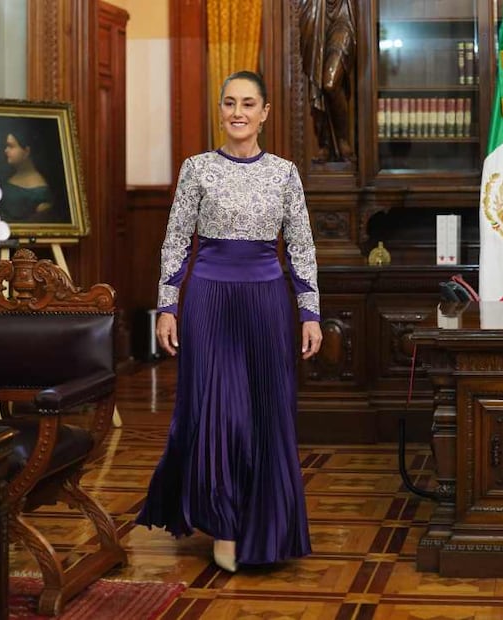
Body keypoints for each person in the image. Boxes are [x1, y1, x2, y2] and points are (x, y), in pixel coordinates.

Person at [135, 71, 323, 573]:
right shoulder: (196, 169)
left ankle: (265, 526)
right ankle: (224, 525)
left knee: (265, 413)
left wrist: (309, 313)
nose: (237, 112)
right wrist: (168, 307)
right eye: (229, 103)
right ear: (220, 110)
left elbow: (302, 247)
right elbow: (175, 242)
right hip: (209, 301)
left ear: (264, 113)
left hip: (266, 302)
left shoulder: (285, 173)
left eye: (248, 103)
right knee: (220, 412)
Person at [297, 0, 356, 162]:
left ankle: (343, 139)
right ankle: (326, 142)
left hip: (344, 15)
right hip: (316, 13)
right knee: (317, 83)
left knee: (329, 83)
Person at [0, 124, 59, 223]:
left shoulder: (41, 194)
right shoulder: (8, 175)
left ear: (26, 151)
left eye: (11, 146)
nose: (6, 150)